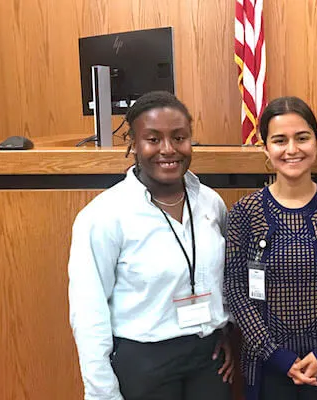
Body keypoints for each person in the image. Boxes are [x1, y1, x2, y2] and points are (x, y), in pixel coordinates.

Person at [67, 91, 234, 400]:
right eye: (153, 139)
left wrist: (224, 328)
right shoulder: (104, 215)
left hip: (208, 357)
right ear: (133, 143)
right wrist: (102, 393)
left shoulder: (210, 202)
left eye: (179, 137)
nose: (168, 150)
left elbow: (221, 278)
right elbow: (88, 313)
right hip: (145, 361)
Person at [224, 96, 317, 400]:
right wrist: (276, 356)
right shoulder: (244, 213)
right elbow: (235, 289)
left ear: (316, 143)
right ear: (265, 147)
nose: (292, 149)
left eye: (302, 138)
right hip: (266, 368)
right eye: (279, 140)